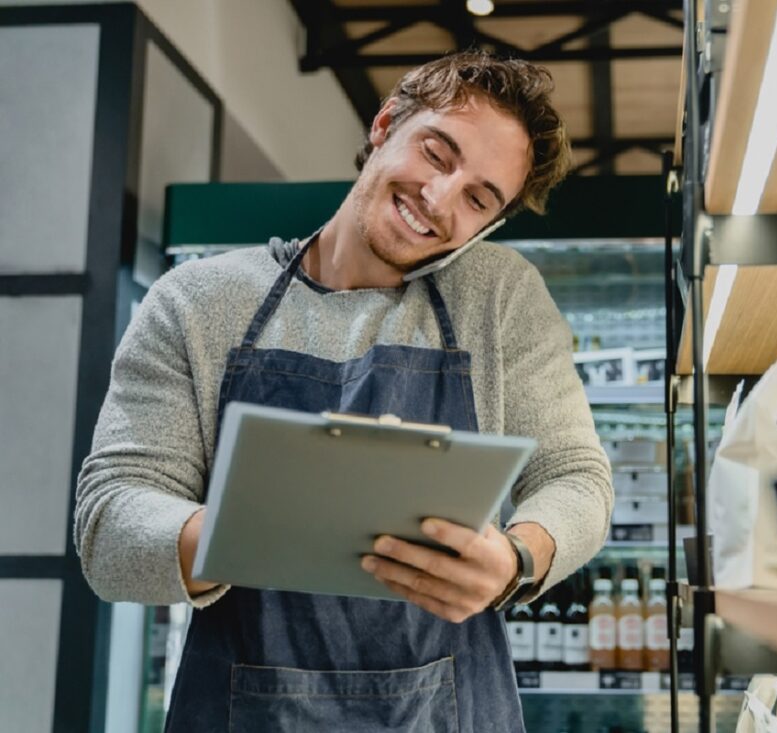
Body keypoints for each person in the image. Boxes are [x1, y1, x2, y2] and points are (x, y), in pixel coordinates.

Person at [74, 52, 613, 731]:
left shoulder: (498, 298)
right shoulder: (197, 301)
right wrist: (240, 533)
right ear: (385, 124)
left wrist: (518, 556)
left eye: (478, 198)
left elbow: (577, 477)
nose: (440, 201)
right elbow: (108, 522)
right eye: (437, 154)